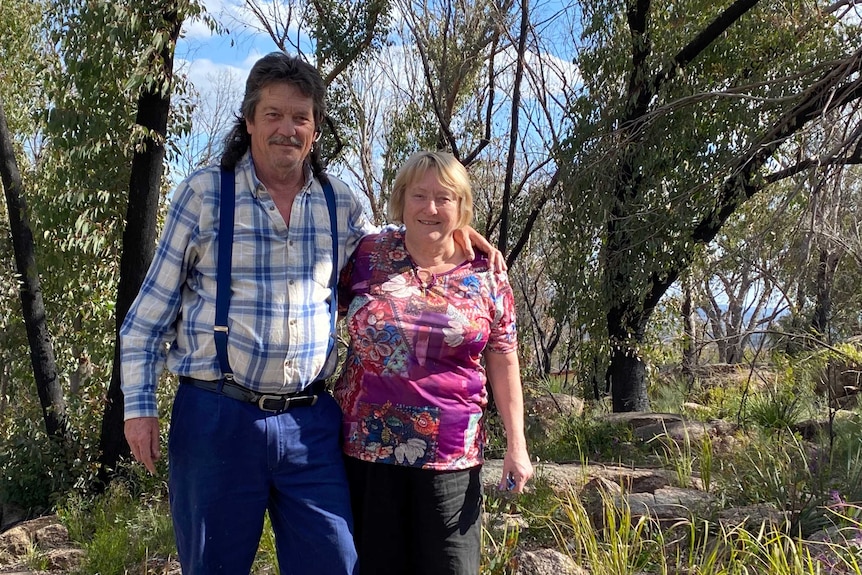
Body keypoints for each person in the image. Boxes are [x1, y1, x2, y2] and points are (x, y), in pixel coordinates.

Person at [121, 52, 499, 575]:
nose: (287, 129)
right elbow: (146, 320)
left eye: (300, 117)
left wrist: (453, 234)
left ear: (315, 128)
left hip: (310, 423)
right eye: (273, 115)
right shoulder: (205, 194)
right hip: (217, 417)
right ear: (249, 120)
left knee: (337, 562)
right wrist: (139, 410)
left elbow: (394, 252)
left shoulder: (338, 203)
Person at [335, 151, 534, 575]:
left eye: (444, 198)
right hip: (366, 453)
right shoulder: (368, 254)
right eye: (419, 196)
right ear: (401, 201)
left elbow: (503, 356)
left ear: (462, 206)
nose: (430, 208)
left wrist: (517, 444)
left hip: (451, 456)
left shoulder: (488, 273)